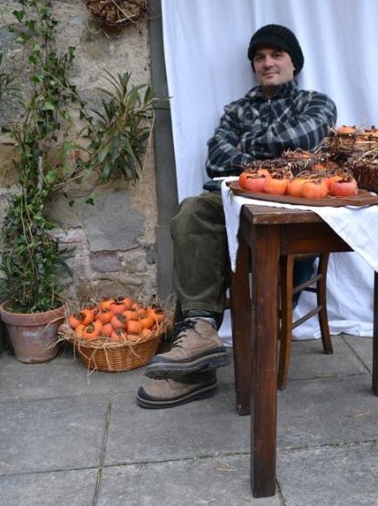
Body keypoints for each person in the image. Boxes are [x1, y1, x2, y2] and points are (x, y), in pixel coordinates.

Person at [136, 24, 338, 409]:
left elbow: (302, 138)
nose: (267, 63)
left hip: (291, 214)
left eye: (276, 55)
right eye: (259, 57)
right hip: (237, 209)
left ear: (294, 63)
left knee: (270, 250)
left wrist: (246, 151)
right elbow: (215, 160)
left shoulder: (317, 104)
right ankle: (198, 333)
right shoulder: (236, 110)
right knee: (192, 211)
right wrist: (274, 158)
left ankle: (198, 368)